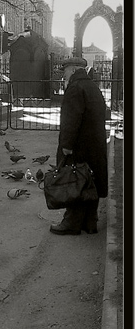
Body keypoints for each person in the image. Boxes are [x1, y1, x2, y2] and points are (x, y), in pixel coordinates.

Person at [50, 56, 108, 235]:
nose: (64, 75)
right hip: (95, 144)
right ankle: (90, 222)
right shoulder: (92, 87)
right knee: (90, 182)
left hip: (79, 146)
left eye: (65, 71)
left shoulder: (75, 88)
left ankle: (72, 223)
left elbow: (70, 120)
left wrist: (66, 145)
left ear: (74, 70)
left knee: (74, 182)